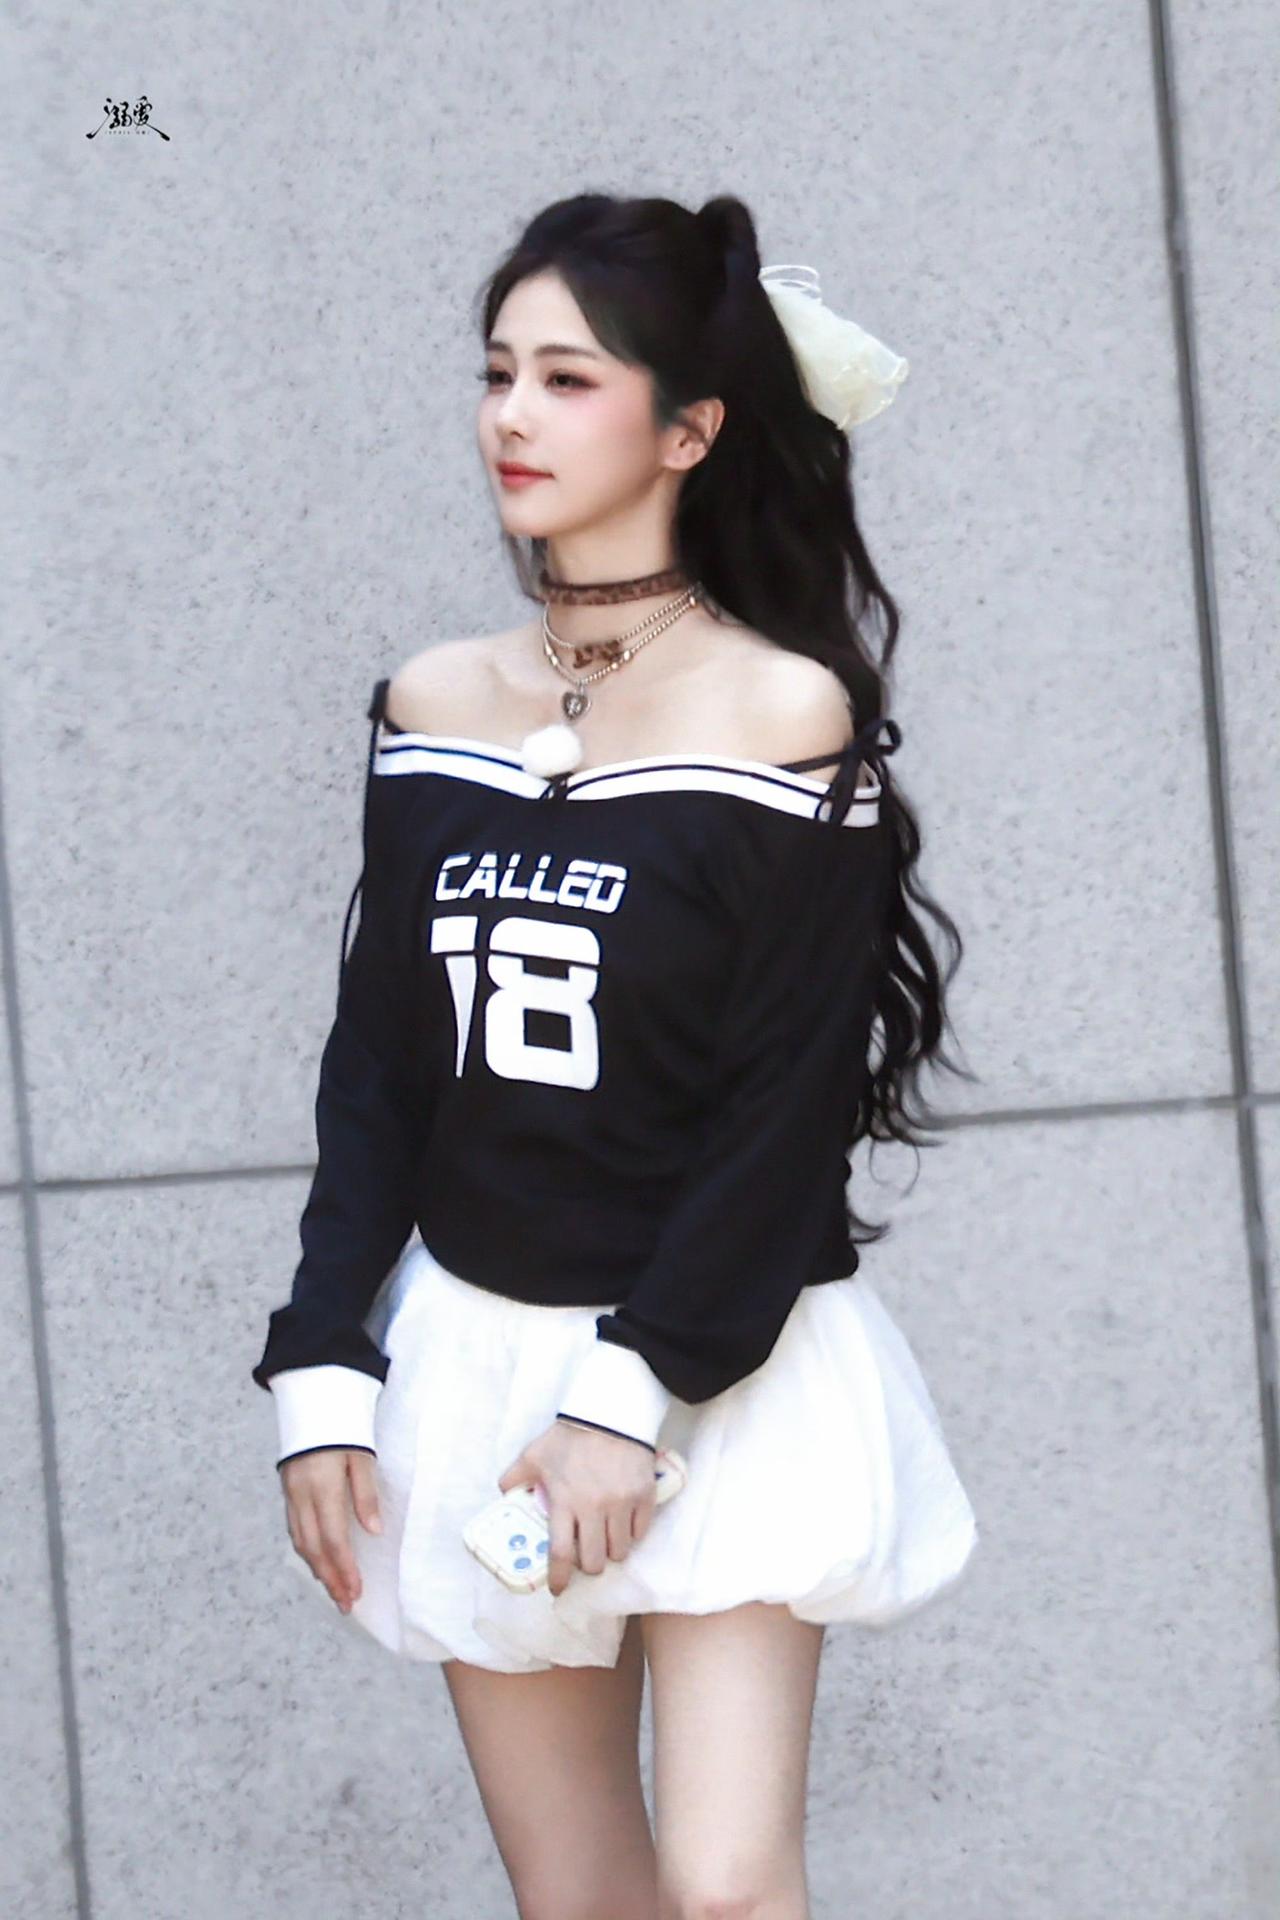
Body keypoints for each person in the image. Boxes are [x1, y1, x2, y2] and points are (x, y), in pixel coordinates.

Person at [251, 190, 979, 1920]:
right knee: (581, 1901)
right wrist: (322, 1369)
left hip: (716, 1358)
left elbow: (784, 1112)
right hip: (479, 1356)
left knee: (722, 1887)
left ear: (690, 429)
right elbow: (381, 1073)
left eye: (569, 379)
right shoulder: (433, 706)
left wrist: (625, 1404)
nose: (512, 414)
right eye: (498, 371)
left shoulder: (782, 712)